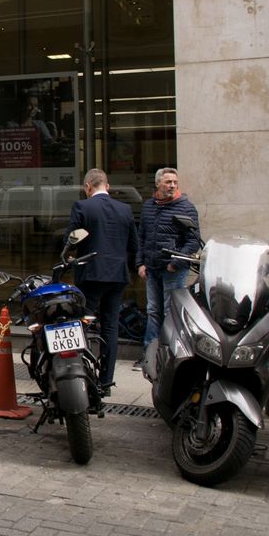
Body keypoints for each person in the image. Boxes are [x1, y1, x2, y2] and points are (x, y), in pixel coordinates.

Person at [65, 168, 138, 393]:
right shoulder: (125, 209)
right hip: (117, 275)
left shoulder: (82, 207)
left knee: (81, 324)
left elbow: (71, 241)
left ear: (88, 187)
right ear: (107, 186)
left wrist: (70, 257)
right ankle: (106, 381)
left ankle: (79, 376)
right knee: (110, 326)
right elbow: (134, 245)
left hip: (91, 274)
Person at [135, 166, 200, 361]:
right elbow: (141, 237)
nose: (172, 185)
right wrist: (140, 263)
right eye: (168, 182)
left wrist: (176, 263)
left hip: (173, 270)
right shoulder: (149, 206)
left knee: (170, 311)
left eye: (175, 182)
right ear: (158, 184)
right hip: (152, 268)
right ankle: (150, 355)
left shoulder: (186, 207)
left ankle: (170, 354)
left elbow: (193, 241)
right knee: (153, 311)